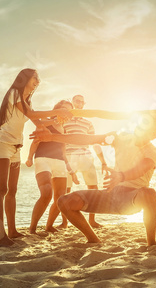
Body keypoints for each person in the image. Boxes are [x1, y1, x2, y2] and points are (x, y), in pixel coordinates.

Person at [30, 115, 156, 246]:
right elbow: (87, 139)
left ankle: (152, 243)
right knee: (64, 201)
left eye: (146, 129)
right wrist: (52, 137)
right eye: (140, 125)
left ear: (153, 136)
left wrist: (121, 176)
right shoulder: (120, 137)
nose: (140, 129)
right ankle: (93, 239)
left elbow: (142, 168)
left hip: (132, 198)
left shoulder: (152, 151)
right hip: (111, 194)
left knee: (150, 193)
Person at [0, 69, 72, 246]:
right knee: (1, 190)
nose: (38, 80)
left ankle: (12, 231)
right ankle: (1, 235)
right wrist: (57, 114)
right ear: (25, 78)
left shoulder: (27, 101)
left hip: (16, 148)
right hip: (3, 145)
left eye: (38, 78)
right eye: (35, 77)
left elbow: (39, 123)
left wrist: (56, 121)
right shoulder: (14, 94)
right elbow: (33, 115)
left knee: (12, 191)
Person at [26, 100, 79, 234]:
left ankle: (49, 226)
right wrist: (29, 157)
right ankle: (32, 228)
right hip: (43, 159)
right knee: (46, 192)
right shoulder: (45, 121)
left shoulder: (65, 130)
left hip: (60, 162)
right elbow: (36, 140)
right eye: (65, 109)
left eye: (69, 111)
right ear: (58, 109)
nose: (67, 113)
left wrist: (71, 170)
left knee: (60, 198)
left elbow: (63, 151)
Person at [59, 95, 108, 229]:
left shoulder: (88, 123)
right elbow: (60, 142)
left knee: (94, 189)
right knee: (65, 190)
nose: (79, 103)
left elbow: (95, 143)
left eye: (82, 102)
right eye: (77, 101)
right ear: (73, 103)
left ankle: (92, 221)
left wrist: (103, 161)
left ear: (84, 104)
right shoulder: (64, 121)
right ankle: (64, 223)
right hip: (69, 158)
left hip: (86, 157)